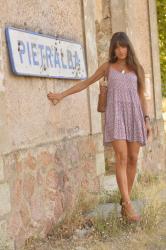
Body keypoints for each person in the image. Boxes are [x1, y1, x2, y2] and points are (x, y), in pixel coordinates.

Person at [47, 32, 152, 222]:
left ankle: (123, 200)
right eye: (117, 46)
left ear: (128, 47)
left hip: (135, 116)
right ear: (113, 49)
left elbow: (142, 96)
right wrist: (61, 95)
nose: (120, 50)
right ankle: (128, 206)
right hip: (115, 116)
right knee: (121, 157)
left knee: (133, 158)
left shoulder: (137, 68)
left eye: (123, 46)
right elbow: (86, 83)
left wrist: (147, 119)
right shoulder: (107, 68)